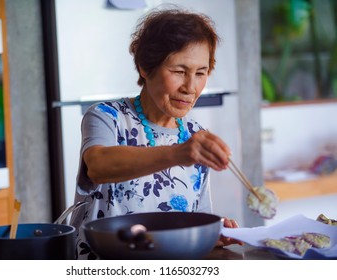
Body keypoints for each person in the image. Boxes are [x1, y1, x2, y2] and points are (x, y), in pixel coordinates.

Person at [70, 7, 242, 260]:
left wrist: (212, 236)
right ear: (144, 67)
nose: (190, 88)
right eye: (179, 71)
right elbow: (99, 166)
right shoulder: (107, 117)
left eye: (201, 73)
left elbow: (197, 219)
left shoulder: (195, 135)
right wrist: (179, 153)